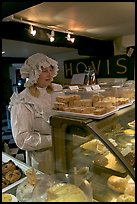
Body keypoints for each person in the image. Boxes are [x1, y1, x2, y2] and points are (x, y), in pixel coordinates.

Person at [8, 53, 63, 174]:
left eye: (50, 69)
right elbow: (22, 139)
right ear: (34, 73)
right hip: (43, 158)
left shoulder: (56, 91)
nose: (49, 74)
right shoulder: (22, 101)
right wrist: (55, 139)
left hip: (63, 151)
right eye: (44, 70)